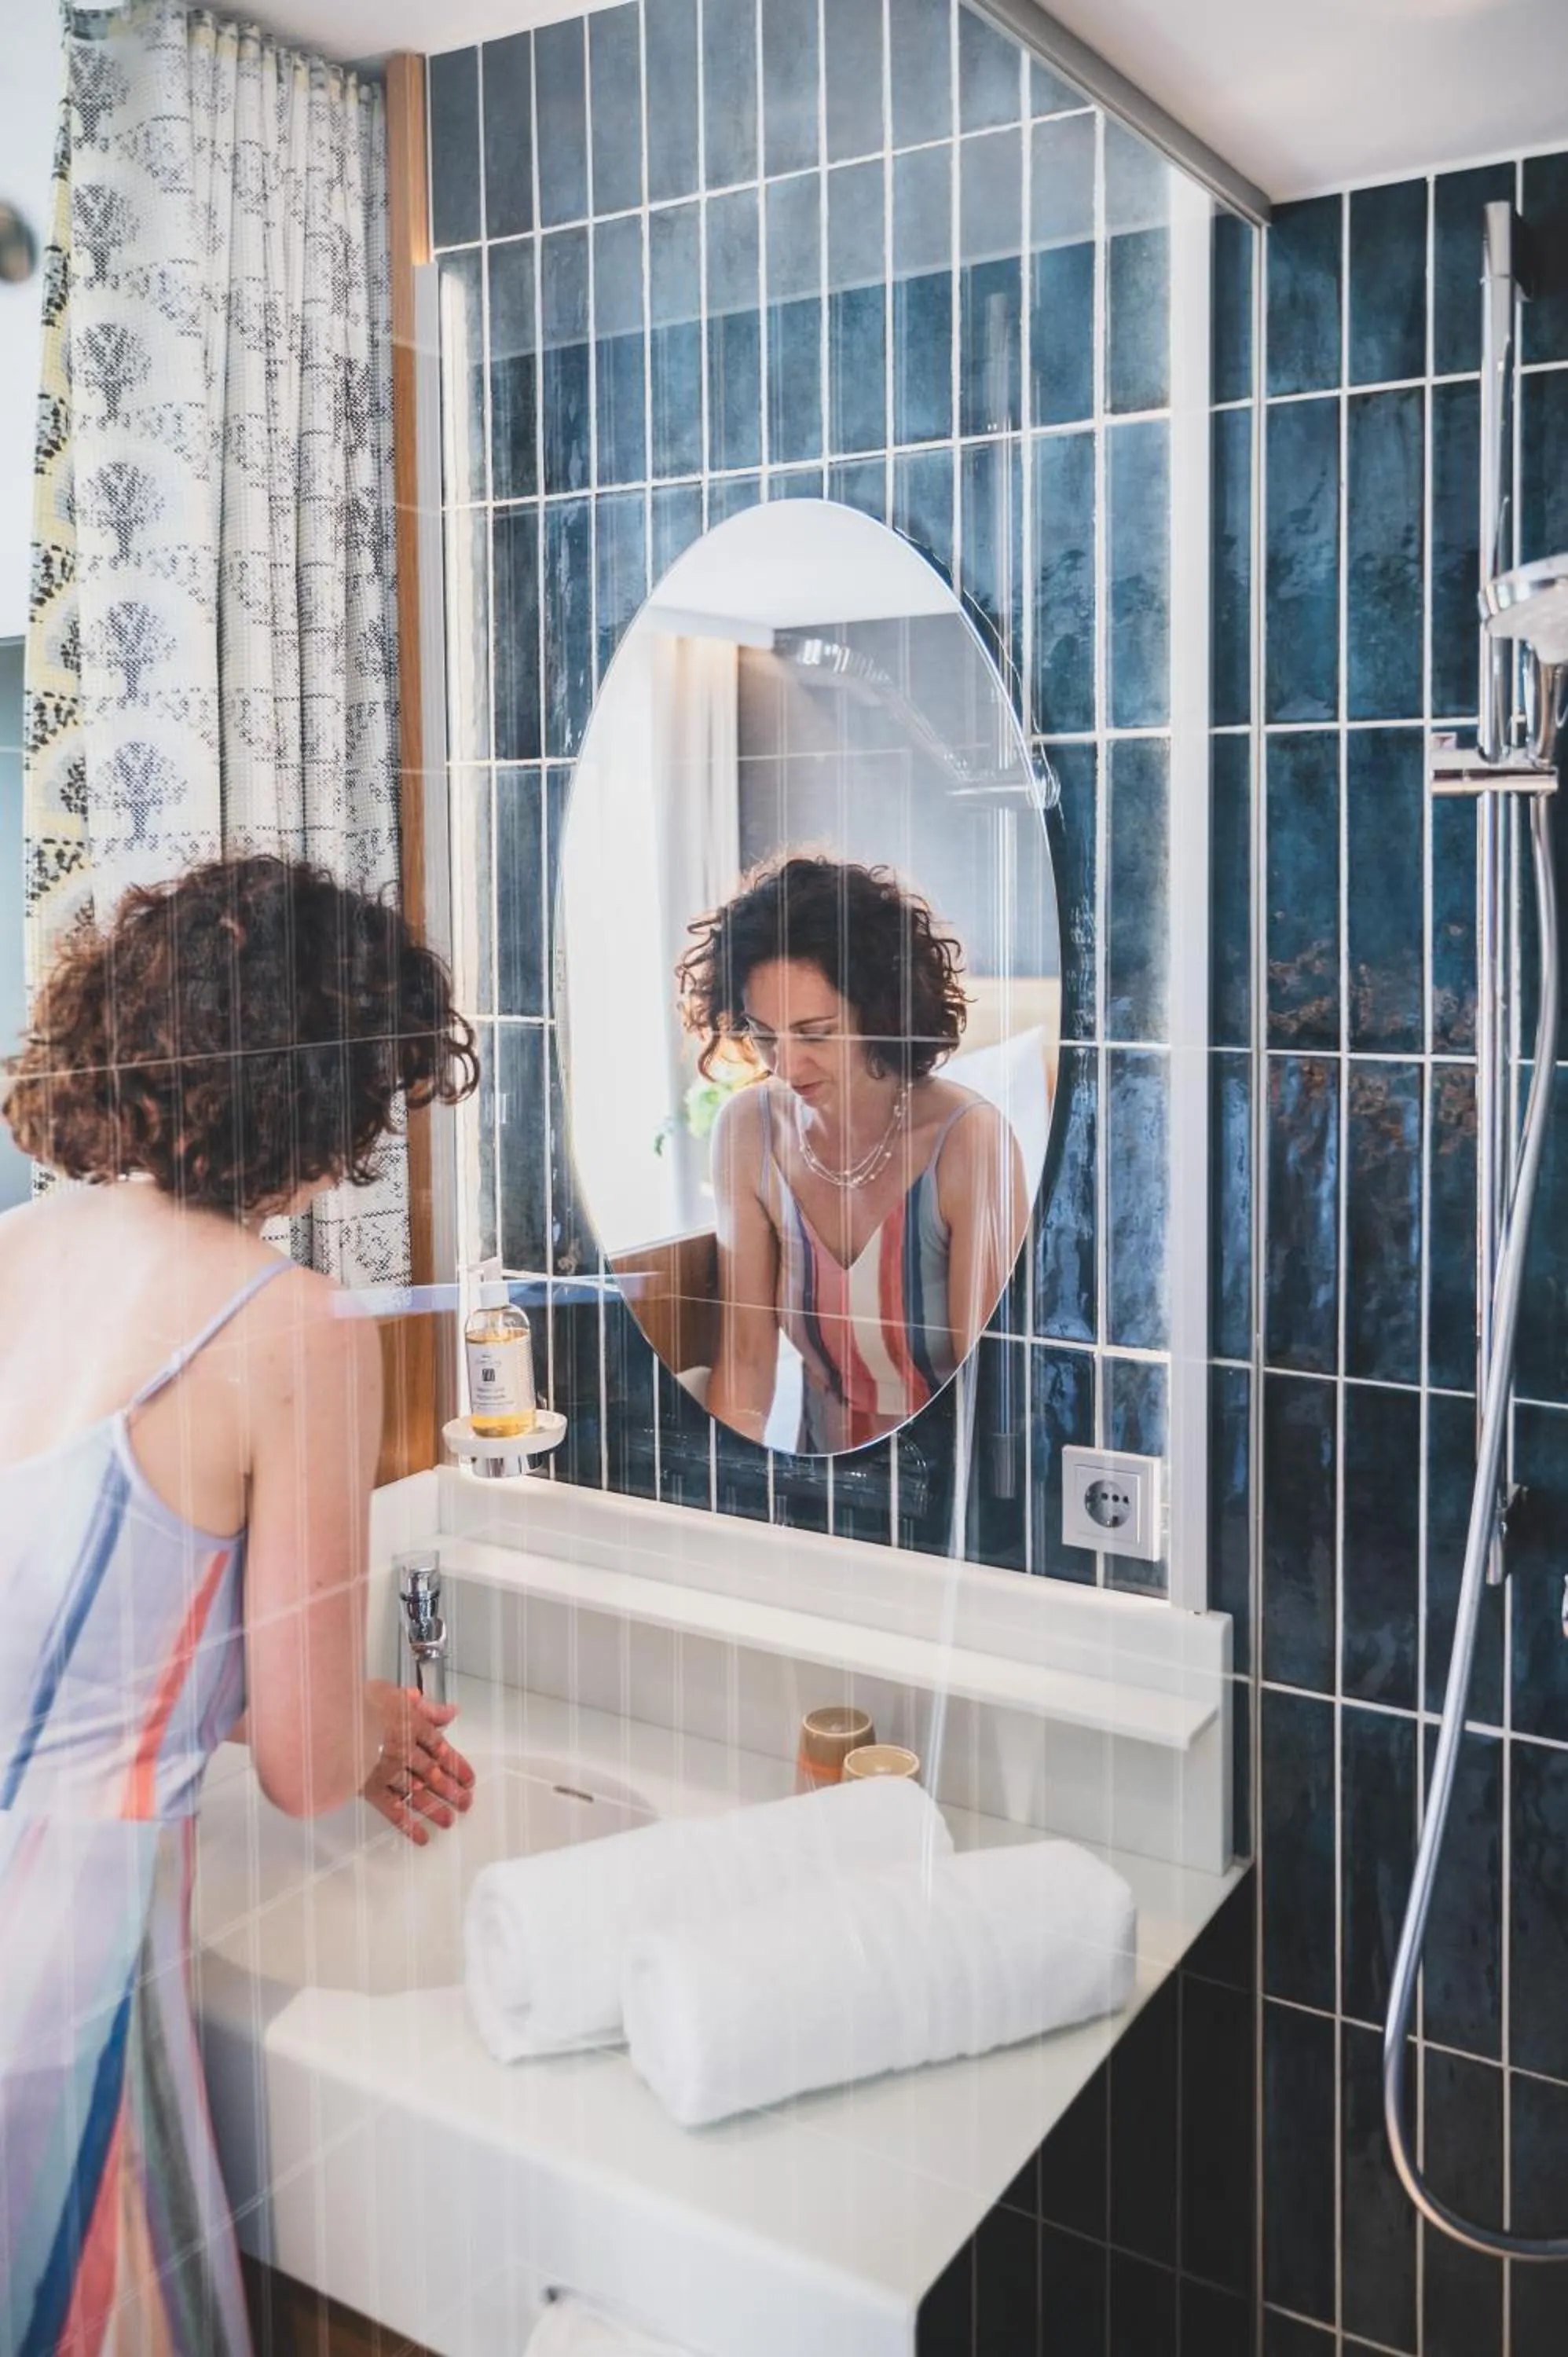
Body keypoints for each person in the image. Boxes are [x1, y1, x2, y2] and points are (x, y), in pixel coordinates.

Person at [0, 854, 480, 2353]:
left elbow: (75, 1641)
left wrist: (317, 1698)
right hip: (54, 1976)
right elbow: (304, 1768)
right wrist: (350, 1715)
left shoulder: (18, 1245)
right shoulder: (289, 1324)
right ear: (313, 1091)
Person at [678, 853, 1028, 1454]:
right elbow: (745, 1363)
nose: (786, 1065)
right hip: (817, 1490)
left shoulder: (970, 1142)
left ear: (879, 1012)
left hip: (952, 1498)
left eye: (815, 1034)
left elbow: (992, 1390)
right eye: (764, 1036)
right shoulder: (748, 1130)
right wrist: (724, 1506)